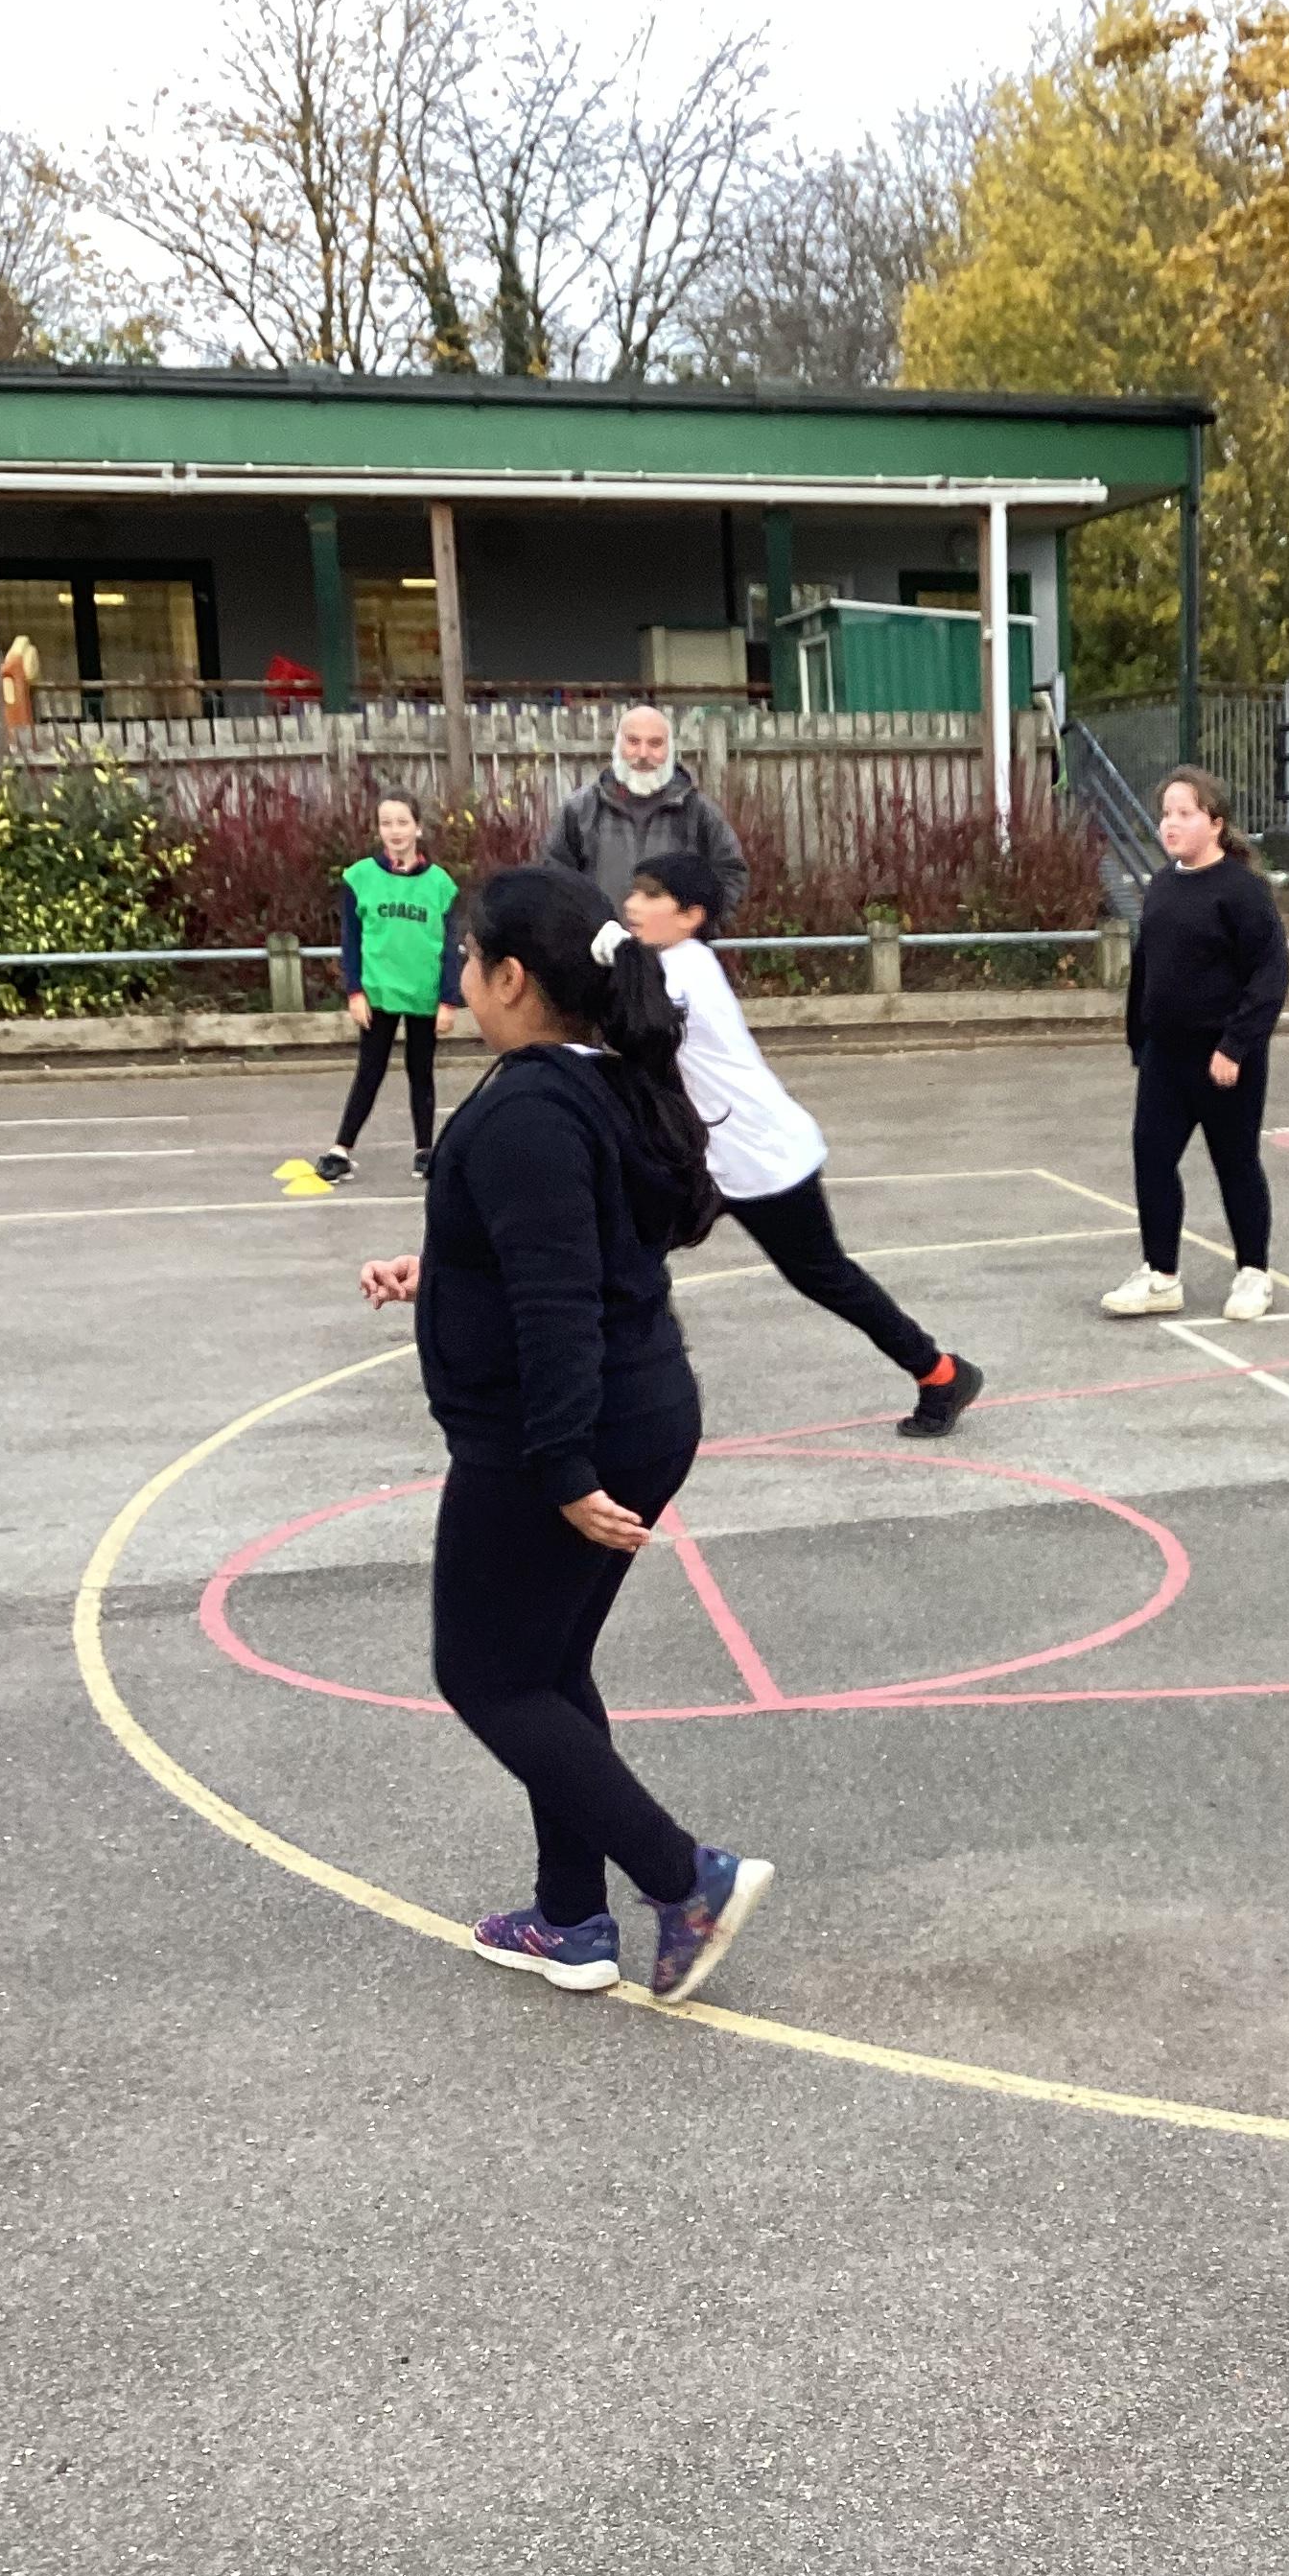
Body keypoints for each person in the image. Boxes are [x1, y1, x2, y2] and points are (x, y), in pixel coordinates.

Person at [357, 865, 774, 2003]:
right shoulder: (594, 1083)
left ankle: (685, 1880)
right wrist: (442, 1269)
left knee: (485, 1677)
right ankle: (572, 1919)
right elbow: (559, 1246)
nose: (459, 976)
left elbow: (556, 1305)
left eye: (467, 958)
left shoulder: (529, 1111)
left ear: (512, 979)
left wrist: (560, 1469)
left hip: (563, 1429)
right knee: (544, 1665)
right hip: (635, 1411)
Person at [622, 849, 985, 1438]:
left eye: (650, 895)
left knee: (824, 1276)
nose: (633, 904)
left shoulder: (684, 968)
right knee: (627, 1256)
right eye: (633, 891)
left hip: (763, 1156)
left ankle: (941, 1373)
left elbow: (636, 1026)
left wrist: (600, 952)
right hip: (700, 1159)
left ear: (690, 916)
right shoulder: (662, 964)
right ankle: (637, 1390)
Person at [1099, 767, 1289, 1323]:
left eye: (1185, 813)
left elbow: (1270, 974)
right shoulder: (1162, 884)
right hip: (1166, 1056)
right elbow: (1147, 968)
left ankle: (1253, 1273)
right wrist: (1141, 1040)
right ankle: (1161, 1275)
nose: (1171, 823)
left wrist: (1235, 1046)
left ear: (1216, 822)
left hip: (1224, 1058)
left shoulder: (1242, 890)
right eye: (1166, 813)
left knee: (1235, 1161)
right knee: (1152, 1156)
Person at [313, 789, 461, 1184]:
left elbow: (450, 948)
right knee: (370, 1070)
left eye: (402, 822)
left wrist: (449, 999)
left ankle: (424, 1149)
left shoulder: (440, 885)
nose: (395, 831)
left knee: (421, 1071)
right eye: (386, 823)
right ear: (378, 829)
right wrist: (354, 991)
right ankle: (341, 1149)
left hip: (423, 994)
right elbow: (351, 941)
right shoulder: (360, 878)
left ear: (418, 828)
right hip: (378, 993)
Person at [543, 705, 751, 925]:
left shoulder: (699, 811)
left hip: (673, 946)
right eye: (633, 741)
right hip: (598, 944)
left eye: (655, 743)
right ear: (617, 746)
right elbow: (554, 880)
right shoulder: (579, 810)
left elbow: (731, 874)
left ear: (670, 750)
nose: (643, 754)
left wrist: (700, 927)